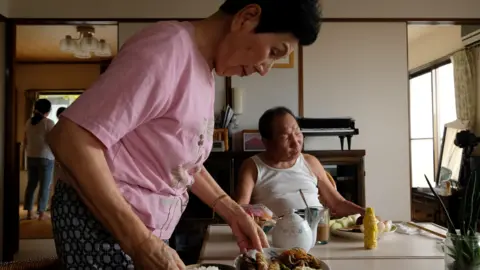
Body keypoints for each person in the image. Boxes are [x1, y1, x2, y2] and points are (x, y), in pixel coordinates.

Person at [47, 1, 322, 269]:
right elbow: (71, 137)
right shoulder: (166, 51)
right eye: (274, 51)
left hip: (138, 227)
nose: (265, 69)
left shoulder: (202, 67)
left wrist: (231, 209)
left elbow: (181, 159)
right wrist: (140, 243)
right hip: (103, 224)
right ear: (247, 16)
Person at [235, 107, 366, 217]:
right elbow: (240, 210)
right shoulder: (253, 167)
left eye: (297, 132)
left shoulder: (310, 162)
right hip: (277, 240)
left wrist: (366, 214)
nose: (295, 142)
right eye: (285, 136)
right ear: (267, 142)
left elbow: (337, 203)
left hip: (318, 235)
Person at [23, 99, 55, 220]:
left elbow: (25, 140)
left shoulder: (28, 122)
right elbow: (53, 141)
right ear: (48, 110)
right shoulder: (48, 123)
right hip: (46, 157)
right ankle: (41, 213)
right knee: (44, 186)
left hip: (31, 156)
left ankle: (29, 213)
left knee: (31, 185)